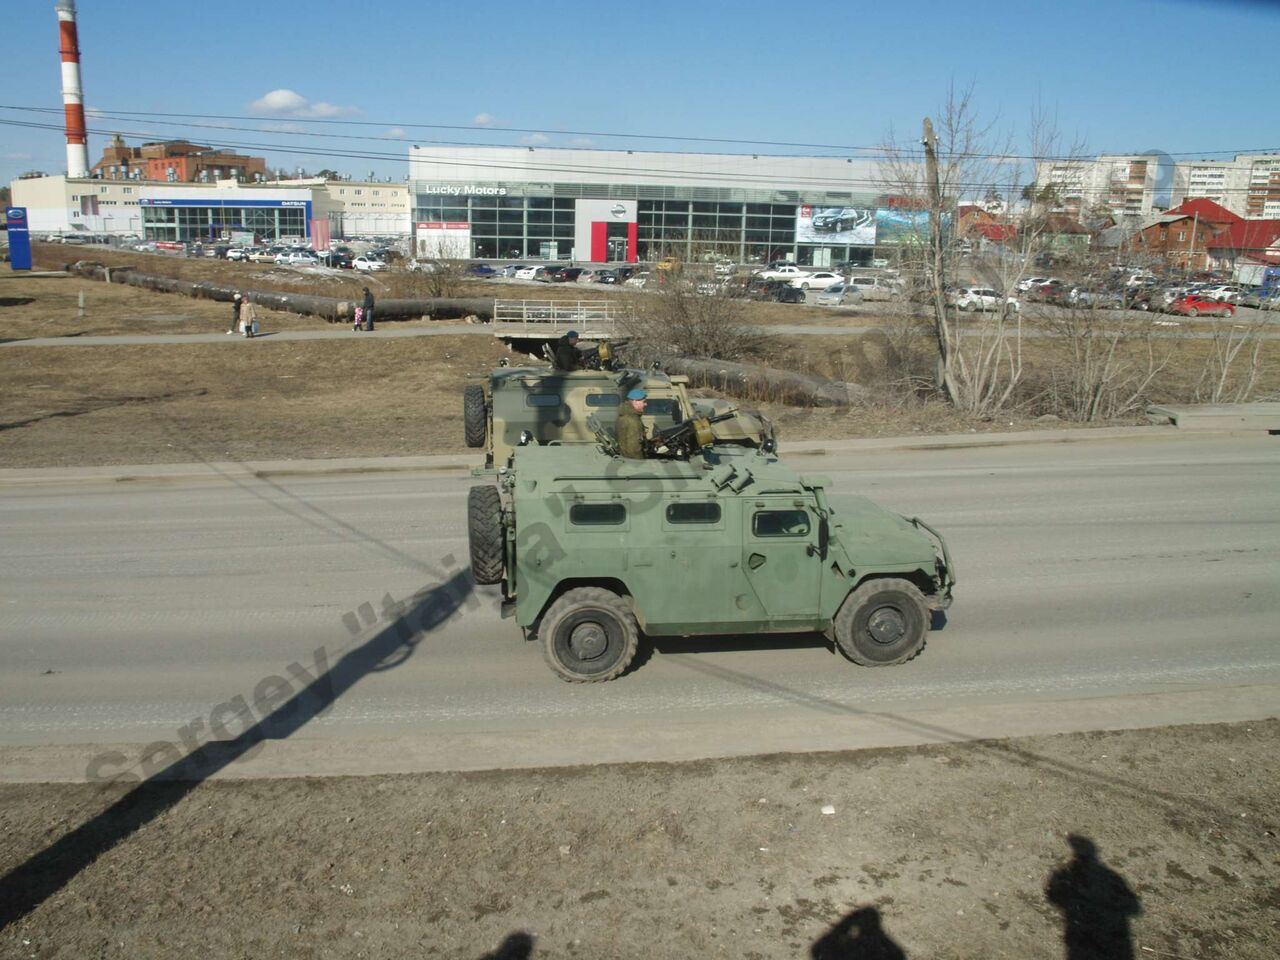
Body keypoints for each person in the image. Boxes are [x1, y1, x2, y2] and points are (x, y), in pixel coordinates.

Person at [615, 387, 648, 459]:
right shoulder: (632, 420)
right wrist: (643, 464)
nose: (646, 404)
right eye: (644, 402)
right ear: (635, 402)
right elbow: (633, 449)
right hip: (633, 463)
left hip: (625, 457)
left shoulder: (625, 414)